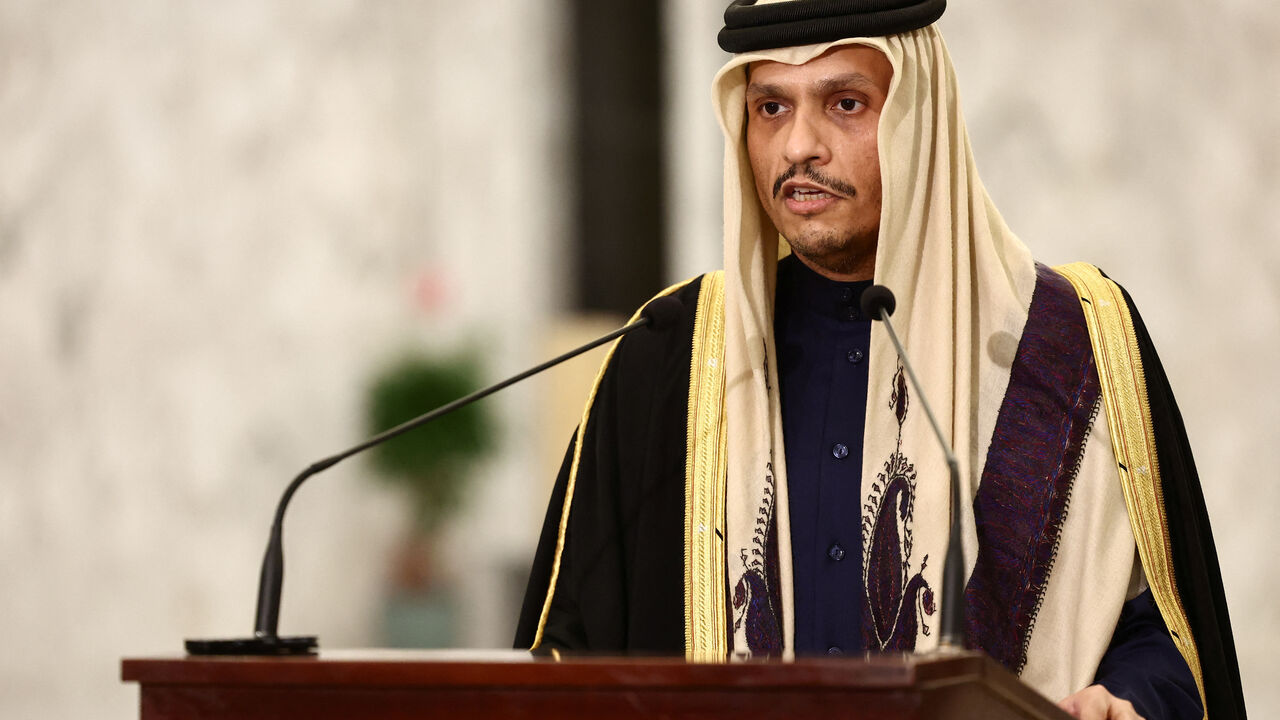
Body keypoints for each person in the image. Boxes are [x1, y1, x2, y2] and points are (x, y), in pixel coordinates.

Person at [515, 2, 1245, 719]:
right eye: (771, 107)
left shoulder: (1067, 345)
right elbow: (565, 652)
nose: (800, 145)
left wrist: (1127, 701)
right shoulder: (670, 356)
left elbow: (1167, 634)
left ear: (917, 119)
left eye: (845, 103)